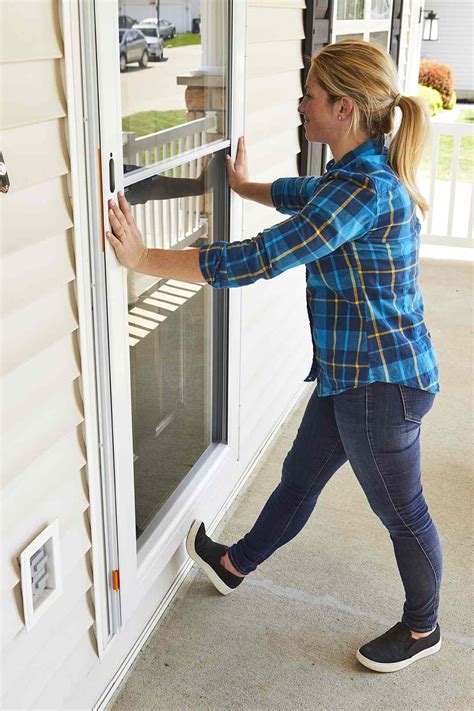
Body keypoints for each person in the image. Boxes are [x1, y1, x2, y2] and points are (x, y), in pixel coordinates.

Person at [107, 39, 443, 674]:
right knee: (299, 479)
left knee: (404, 512)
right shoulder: (351, 176)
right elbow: (303, 196)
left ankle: (423, 626)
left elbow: (260, 258)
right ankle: (234, 565)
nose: (301, 103)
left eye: (310, 95)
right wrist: (242, 185)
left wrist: (145, 261)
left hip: (382, 383)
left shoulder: (363, 191)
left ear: (343, 107)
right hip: (353, 377)